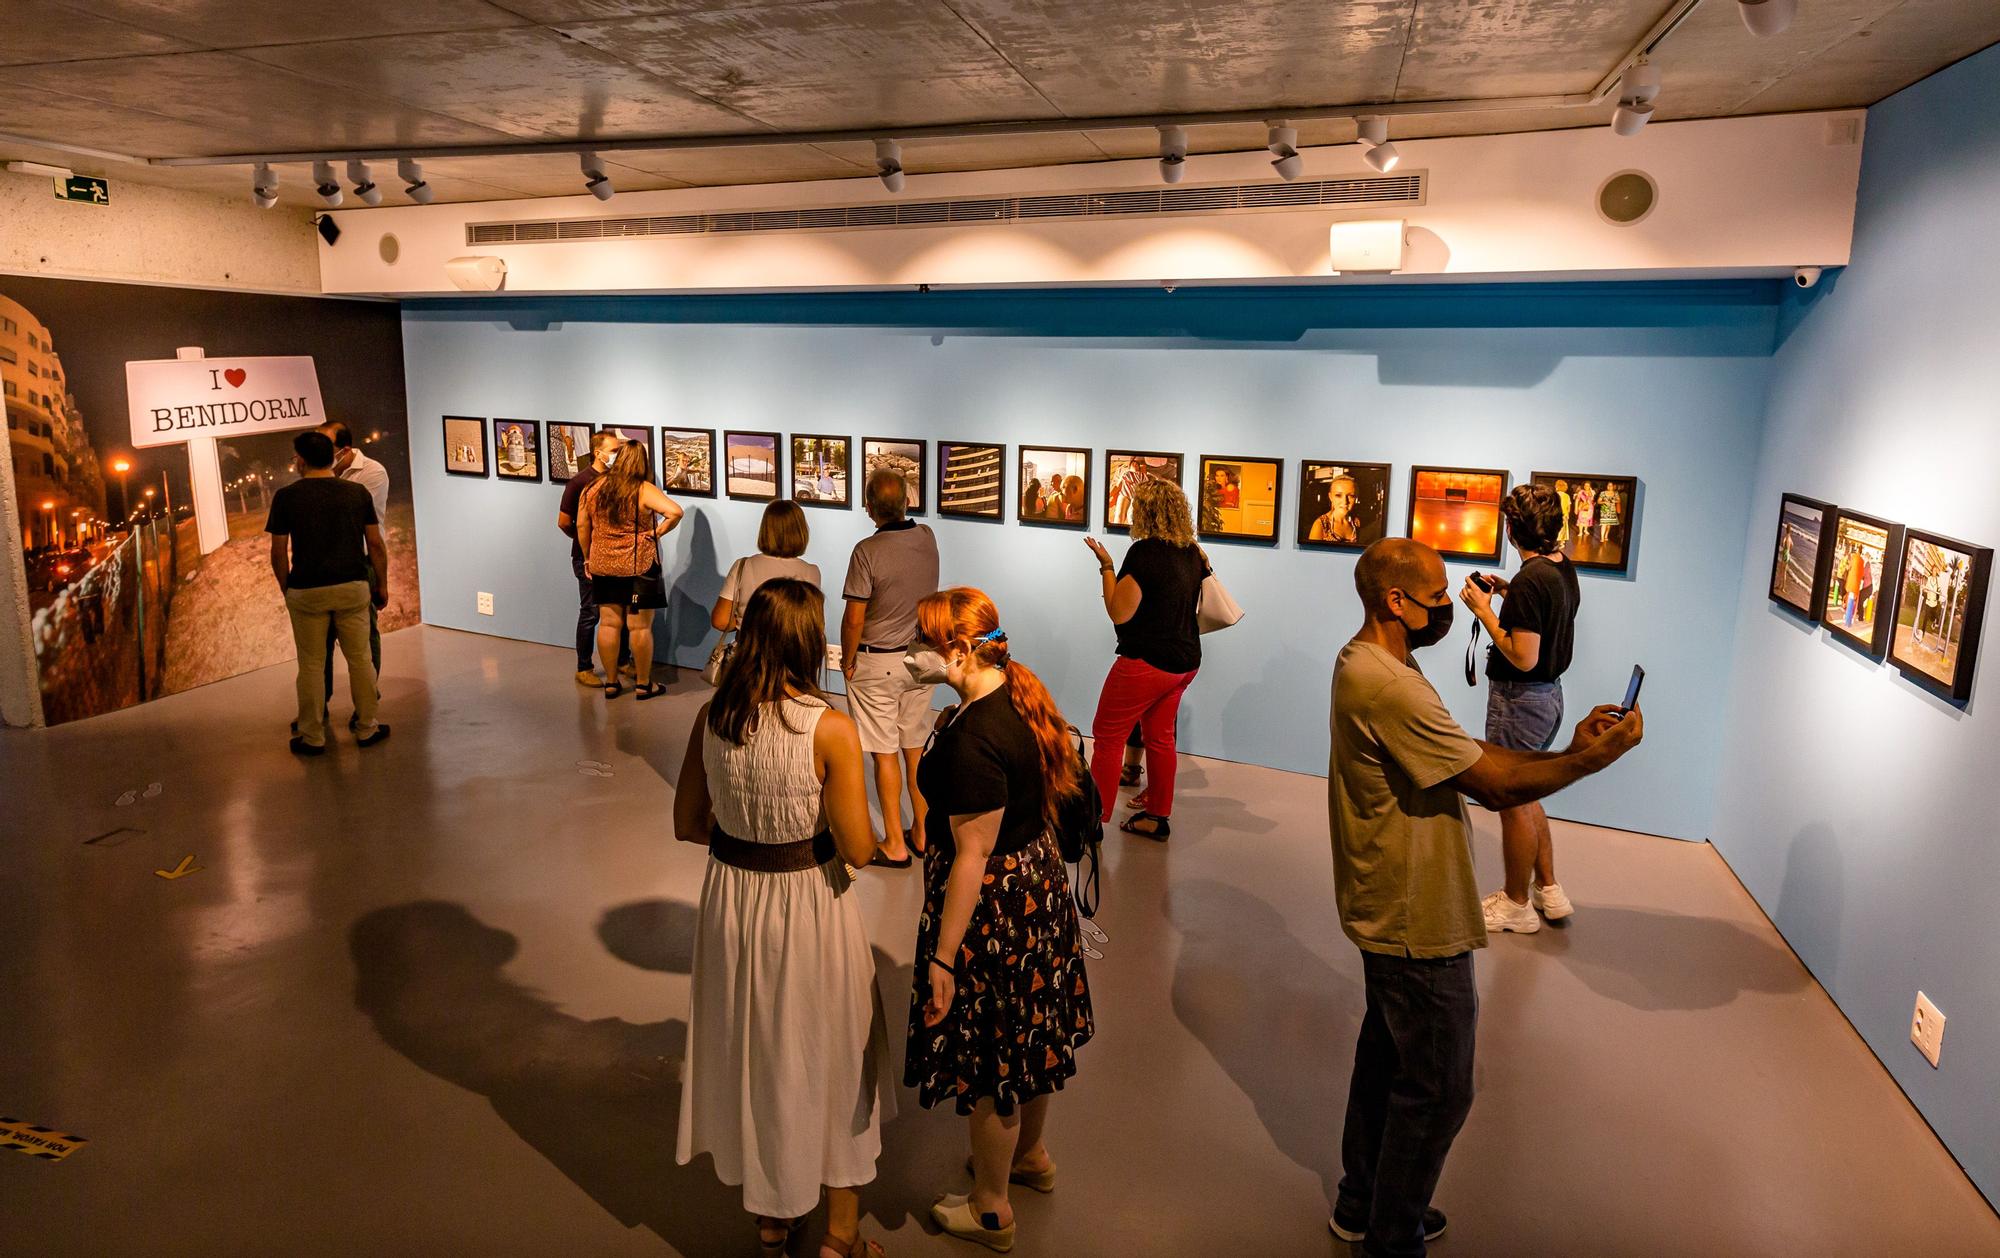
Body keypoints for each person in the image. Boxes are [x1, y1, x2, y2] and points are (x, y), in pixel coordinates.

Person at [1328, 537, 1642, 1256]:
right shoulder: (1391, 684)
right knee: (1439, 1087)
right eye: (1438, 597)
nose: (1452, 606)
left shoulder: (1369, 661)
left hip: (1390, 897)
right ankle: (1389, 1235)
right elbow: (1494, 783)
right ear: (1395, 602)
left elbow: (1468, 756)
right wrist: (1591, 760)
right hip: (1414, 913)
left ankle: (1365, 1201)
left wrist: (1565, 752)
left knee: (1387, 1055)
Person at [672, 579, 889, 1258]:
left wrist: (745, 829)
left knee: (759, 1054)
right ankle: (840, 1235)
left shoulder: (713, 717)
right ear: (806, 644)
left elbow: (686, 822)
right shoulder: (829, 729)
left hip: (733, 902)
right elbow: (858, 844)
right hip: (809, 904)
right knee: (833, 1054)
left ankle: (772, 1217)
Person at [903, 587, 1093, 1254]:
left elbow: (971, 856)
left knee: (994, 1062)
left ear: (955, 650)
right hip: (1036, 891)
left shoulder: (976, 738)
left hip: (995, 909)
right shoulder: (1014, 692)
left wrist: (944, 957)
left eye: (922, 644)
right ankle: (1030, 1157)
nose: (912, 655)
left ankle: (991, 1208)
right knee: (1032, 1034)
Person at [1460, 484, 1583, 933]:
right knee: (1529, 792)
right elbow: (1545, 610)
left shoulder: (1533, 581)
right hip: (1548, 697)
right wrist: (1510, 590)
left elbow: (1523, 655)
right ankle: (1548, 890)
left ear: (1513, 530)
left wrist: (1484, 610)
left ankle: (1515, 904)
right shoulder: (1558, 567)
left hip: (1520, 700)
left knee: (1512, 799)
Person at [1082, 479, 1206, 840]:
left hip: (1147, 663)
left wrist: (1106, 567)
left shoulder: (1144, 554)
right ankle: (1156, 817)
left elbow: (1119, 613)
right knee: (1161, 738)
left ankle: (1093, 821)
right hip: (1185, 662)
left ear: (1145, 513)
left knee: (1107, 736)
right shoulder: (1192, 553)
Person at [266, 430, 389, 756]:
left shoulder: (286, 497)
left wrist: (286, 587)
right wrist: (382, 584)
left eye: (296, 457)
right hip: (352, 586)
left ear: (302, 460)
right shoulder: (357, 492)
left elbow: (278, 552)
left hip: (307, 591)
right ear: (332, 457)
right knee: (361, 659)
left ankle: (313, 736)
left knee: (311, 664)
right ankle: (367, 728)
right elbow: (375, 544)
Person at [840, 469, 940, 868]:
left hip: (877, 661)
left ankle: (895, 843)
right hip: (921, 658)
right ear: (907, 503)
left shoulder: (866, 551)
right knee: (914, 748)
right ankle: (923, 831)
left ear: (868, 508)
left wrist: (847, 659)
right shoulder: (928, 538)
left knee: (885, 754)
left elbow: (853, 619)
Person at [576, 440, 684, 700]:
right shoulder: (642, 489)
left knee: (609, 623)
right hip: (638, 567)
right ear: (642, 462)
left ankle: (611, 683)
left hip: (602, 564)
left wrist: (588, 558)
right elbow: (675, 512)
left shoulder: (593, 487)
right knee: (639, 628)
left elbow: (582, 525)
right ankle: (644, 684)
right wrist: (655, 533)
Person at [313, 420, 390, 727]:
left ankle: (367, 700)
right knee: (322, 640)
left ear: (344, 450)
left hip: (361, 562)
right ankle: (319, 705)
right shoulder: (318, 476)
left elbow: (349, 522)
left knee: (363, 637)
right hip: (324, 563)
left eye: (323, 447)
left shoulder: (372, 472)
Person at [558, 431, 633, 686]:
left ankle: (622, 661)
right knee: (591, 612)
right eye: (612, 450)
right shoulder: (579, 482)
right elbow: (564, 522)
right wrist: (584, 544)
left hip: (613, 557)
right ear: (597, 452)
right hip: (587, 559)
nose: (616, 455)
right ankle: (584, 667)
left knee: (619, 611)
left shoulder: (617, 481)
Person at [711, 500, 821, 633]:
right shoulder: (811, 572)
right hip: (792, 651)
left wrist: (743, 624)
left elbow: (720, 620)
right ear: (801, 531)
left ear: (765, 530)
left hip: (749, 649)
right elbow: (813, 623)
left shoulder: (743, 565)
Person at [1309, 472, 1362, 544]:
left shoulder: (1356, 523)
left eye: (1351, 496)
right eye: (1338, 495)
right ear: (1330, 497)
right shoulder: (1320, 525)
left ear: (1356, 497)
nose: (1345, 501)